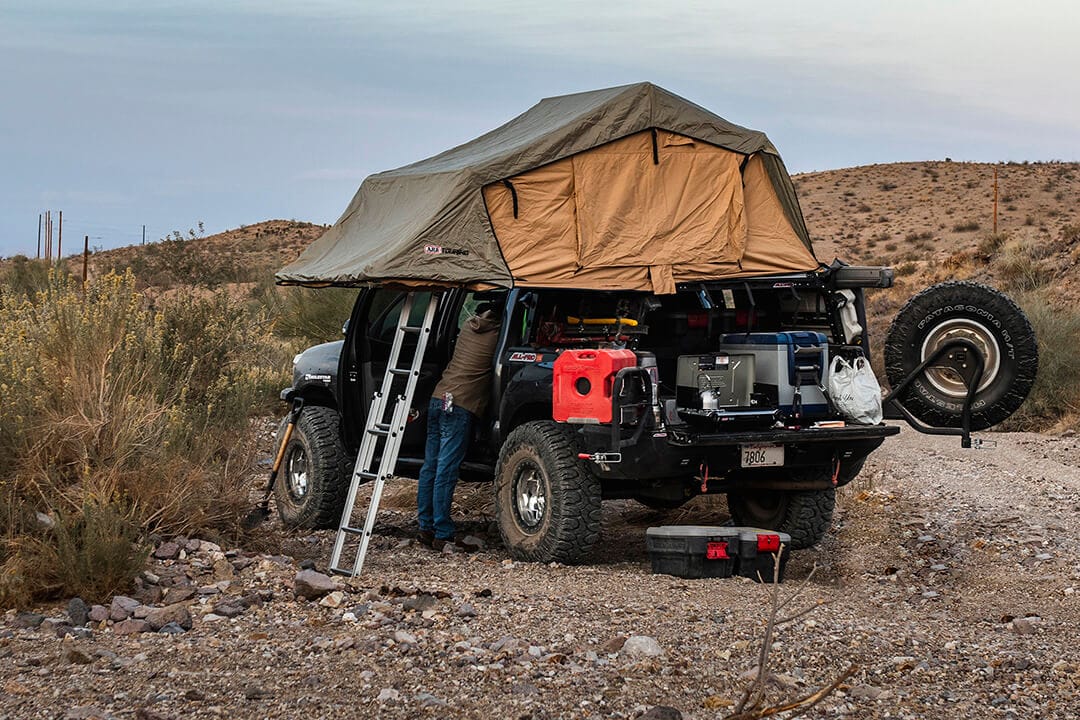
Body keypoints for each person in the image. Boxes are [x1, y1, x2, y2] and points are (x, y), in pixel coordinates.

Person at [417, 303, 501, 551]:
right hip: (461, 405)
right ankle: (443, 532)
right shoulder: (497, 333)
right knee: (446, 469)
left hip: (439, 398)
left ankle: (425, 527)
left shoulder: (468, 326)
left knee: (430, 466)